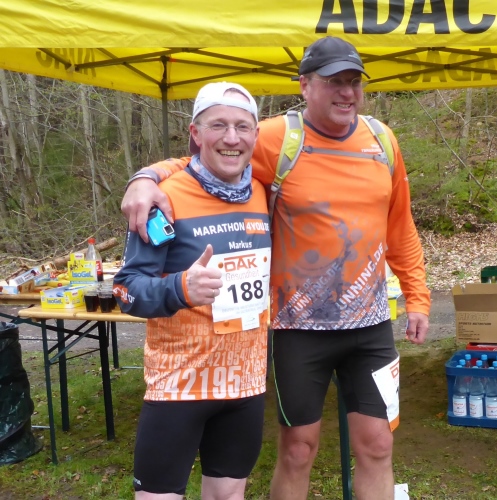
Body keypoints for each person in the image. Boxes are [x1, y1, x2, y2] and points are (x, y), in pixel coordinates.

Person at [120, 36, 431, 500]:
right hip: (297, 328)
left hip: (370, 326)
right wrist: (145, 178)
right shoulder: (276, 137)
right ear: (305, 86)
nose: (346, 92)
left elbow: (400, 224)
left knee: (378, 444)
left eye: (354, 82)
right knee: (299, 450)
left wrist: (417, 296)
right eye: (334, 82)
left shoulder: (382, 140)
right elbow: (210, 154)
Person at [114, 82, 269, 499]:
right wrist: (181, 287)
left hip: (246, 384)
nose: (231, 138)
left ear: (256, 134)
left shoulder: (262, 190)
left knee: (229, 495)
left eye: (242, 126)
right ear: (196, 133)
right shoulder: (164, 197)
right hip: (179, 386)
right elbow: (126, 290)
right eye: (218, 125)